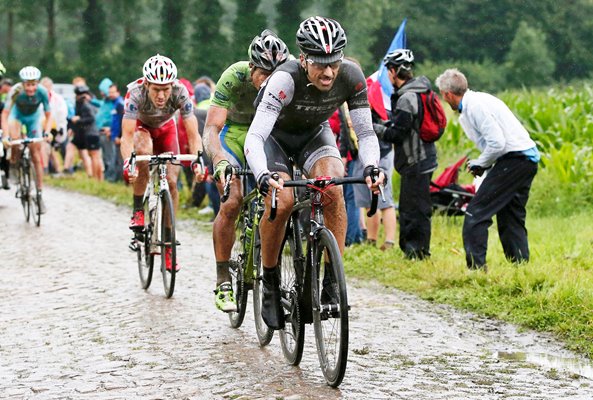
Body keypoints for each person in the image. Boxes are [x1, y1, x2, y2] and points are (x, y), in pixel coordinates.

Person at [244, 16, 384, 330]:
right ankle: (269, 280)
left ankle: (332, 280)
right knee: (283, 199)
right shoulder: (284, 79)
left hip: (313, 136)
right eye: (320, 63)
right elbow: (255, 136)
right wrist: (264, 175)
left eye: (334, 62)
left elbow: (366, 132)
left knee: (333, 186)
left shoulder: (352, 76)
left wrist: (373, 167)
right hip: (275, 139)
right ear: (304, 59)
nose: (329, 71)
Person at [203, 29, 289, 312]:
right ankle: (223, 278)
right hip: (236, 135)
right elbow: (212, 128)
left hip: (269, 136)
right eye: (263, 74)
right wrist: (220, 161)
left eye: (274, 74)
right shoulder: (235, 76)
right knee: (232, 201)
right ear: (251, 67)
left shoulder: (288, 79)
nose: (269, 81)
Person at [435, 68, 540, 270]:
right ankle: (520, 267)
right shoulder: (476, 101)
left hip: (515, 159)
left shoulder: (475, 107)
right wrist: (484, 163)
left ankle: (476, 268)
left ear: (447, 94)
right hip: (524, 159)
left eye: (442, 95)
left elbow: (497, 143)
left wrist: (480, 163)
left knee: (476, 212)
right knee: (511, 215)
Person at [120, 54, 205, 272]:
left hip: (167, 129)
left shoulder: (180, 93)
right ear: (146, 83)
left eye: (165, 89)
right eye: (156, 89)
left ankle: (168, 244)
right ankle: (138, 209)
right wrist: (127, 163)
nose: (161, 95)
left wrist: (198, 161)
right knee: (144, 152)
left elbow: (193, 133)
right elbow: (127, 136)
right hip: (142, 128)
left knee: (173, 183)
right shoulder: (135, 93)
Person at [373, 49, 437, 260]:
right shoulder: (420, 90)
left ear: (393, 71)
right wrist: (384, 124)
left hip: (415, 160)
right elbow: (404, 126)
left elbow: (397, 134)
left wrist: (375, 128)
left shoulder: (407, 97)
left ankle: (416, 253)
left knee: (413, 210)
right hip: (425, 157)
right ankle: (417, 251)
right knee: (417, 207)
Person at [1, 66, 52, 212]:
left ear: (37, 83)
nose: (31, 88)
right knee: (15, 140)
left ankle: (40, 194)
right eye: (28, 85)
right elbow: (5, 115)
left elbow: (49, 115)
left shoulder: (42, 92)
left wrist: (47, 132)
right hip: (17, 116)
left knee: (36, 154)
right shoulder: (15, 91)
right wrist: (6, 136)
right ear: (23, 84)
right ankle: (15, 166)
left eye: (34, 84)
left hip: (33, 118)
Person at [71, 85, 103, 180]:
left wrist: (78, 120)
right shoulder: (91, 103)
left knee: (94, 157)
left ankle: (96, 178)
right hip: (93, 132)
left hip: (91, 133)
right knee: (96, 156)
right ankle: (99, 178)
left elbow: (91, 118)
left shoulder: (86, 105)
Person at [40, 77, 69, 174]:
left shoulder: (57, 98)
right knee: (48, 148)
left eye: (47, 86)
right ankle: (50, 168)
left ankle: (49, 169)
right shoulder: (38, 97)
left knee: (49, 148)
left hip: (54, 127)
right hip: (41, 126)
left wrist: (60, 127)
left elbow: (62, 112)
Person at [108, 84, 124, 182]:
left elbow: (122, 121)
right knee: (116, 158)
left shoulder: (120, 104)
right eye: (110, 92)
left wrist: (119, 136)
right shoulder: (114, 103)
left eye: (113, 92)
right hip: (114, 136)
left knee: (120, 159)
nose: (111, 94)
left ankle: (121, 180)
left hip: (120, 137)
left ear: (118, 92)